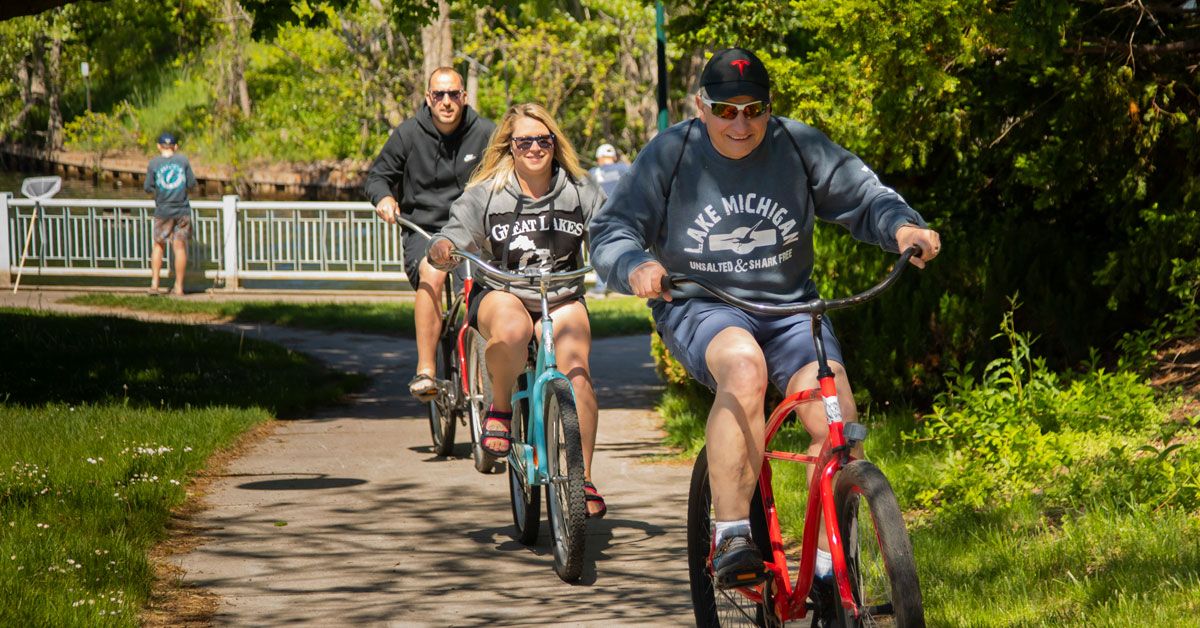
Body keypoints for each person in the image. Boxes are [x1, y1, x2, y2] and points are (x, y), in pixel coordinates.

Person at [588, 47, 942, 607]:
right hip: (702, 306)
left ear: (769, 107)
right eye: (726, 111)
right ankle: (732, 534)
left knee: (834, 413)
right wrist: (635, 265)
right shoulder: (670, 155)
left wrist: (902, 228)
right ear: (701, 106)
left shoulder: (797, 145)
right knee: (744, 369)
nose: (740, 123)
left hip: (791, 310)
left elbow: (866, 196)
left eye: (753, 110)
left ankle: (827, 570)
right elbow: (611, 231)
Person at [428, 103, 609, 518]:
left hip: (561, 295)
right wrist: (444, 248)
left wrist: (626, 257)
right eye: (524, 141)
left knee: (577, 373)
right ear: (510, 146)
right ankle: (501, 406)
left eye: (542, 140)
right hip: (503, 291)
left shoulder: (580, 189)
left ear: (554, 142)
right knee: (512, 331)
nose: (534, 148)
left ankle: (581, 478)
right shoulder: (489, 191)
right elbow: (455, 232)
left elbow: (608, 231)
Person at [365, 67, 497, 401]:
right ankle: (425, 370)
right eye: (439, 95)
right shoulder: (408, 133)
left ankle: (486, 374)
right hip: (423, 230)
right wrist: (384, 198)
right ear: (428, 98)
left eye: (453, 94)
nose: (446, 102)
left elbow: (510, 169)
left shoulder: (486, 132)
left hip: (472, 231)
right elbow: (378, 177)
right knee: (433, 273)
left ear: (464, 97)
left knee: (486, 286)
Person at [144, 132, 196, 296]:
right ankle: (179, 287)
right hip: (182, 210)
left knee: (158, 245)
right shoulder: (183, 161)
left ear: (159, 146)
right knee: (179, 247)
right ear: (175, 147)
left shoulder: (154, 163)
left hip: (163, 211)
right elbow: (192, 184)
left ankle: (154, 285)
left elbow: (147, 187)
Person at [586, 143, 631, 296]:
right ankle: (625, 286)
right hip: (623, 216)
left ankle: (601, 287)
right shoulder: (624, 168)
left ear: (599, 158)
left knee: (599, 249)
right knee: (626, 247)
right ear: (614, 157)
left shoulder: (592, 173)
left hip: (601, 217)